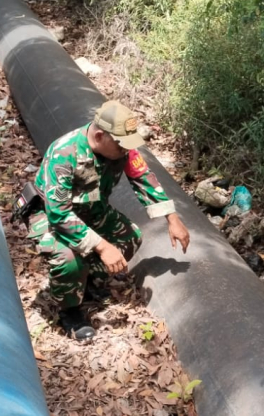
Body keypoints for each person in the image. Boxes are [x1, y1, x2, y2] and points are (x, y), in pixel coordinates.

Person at [23, 100, 190, 340]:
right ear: (100, 136)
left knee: (131, 237)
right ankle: (70, 311)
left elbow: (143, 178)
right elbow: (59, 213)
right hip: (51, 216)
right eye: (122, 145)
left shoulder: (122, 147)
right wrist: (102, 247)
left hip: (92, 210)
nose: (126, 151)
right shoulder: (64, 153)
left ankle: (89, 283)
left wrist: (172, 219)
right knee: (69, 260)